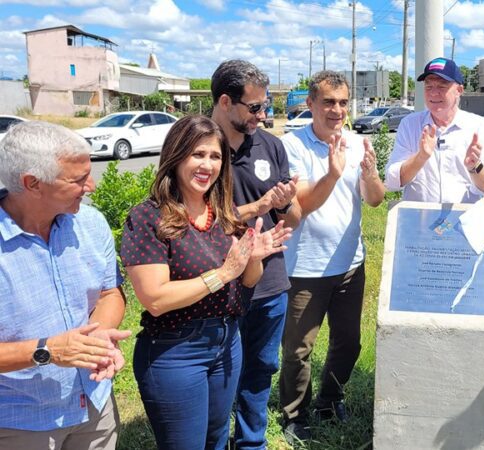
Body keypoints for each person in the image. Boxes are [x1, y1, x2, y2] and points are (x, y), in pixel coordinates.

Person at [120, 115, 291, 450]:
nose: (207, 165)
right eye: (197, 154)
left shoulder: (222, 211)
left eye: (215, 156)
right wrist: (223, 273)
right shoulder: (149, 217)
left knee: (216, 440)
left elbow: (248, 282)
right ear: (176, 155)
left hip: (227, 342)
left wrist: (253, 258)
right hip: (176, 351)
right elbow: (155, 298)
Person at [0, 121, 130, 449]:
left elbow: (109, 292)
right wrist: (48, 351)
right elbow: (54, 350)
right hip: (19, 422)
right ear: (32, 183)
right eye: (78, 179)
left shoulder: (91, 223)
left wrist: (98, 339)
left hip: (94, 404)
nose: (92, 186)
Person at [279, 70, 385, 445]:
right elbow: (300, 205)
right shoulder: (291, 146)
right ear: (310, 104)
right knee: (298, 349)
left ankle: (329, 400)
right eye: (328, 102)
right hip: (304, 268)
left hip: (349, 266)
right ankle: (294, 414)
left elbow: (374, 199)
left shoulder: (357, 143)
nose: (337, 110)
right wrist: (332, 173)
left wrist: (370, 173)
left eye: (342, 102)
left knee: (348, 343)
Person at [209, 59, 301, 450]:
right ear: (225, 102)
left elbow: (292, 217)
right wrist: (256, 208)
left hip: (269, 281)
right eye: (255, 107)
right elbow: (184, 218)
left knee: (261, 368)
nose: (262, 115)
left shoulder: (271, 145)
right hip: (215, 282)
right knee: (218, 373)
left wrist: (285, 202)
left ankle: (251, 443)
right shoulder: (196, 146)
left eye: (266, 106)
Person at [385, 57, 484, 202]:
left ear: (459, 90)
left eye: (442, 86)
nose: (434, 93)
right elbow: (392, 182)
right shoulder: (409, 125)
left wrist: (474, 166)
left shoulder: (479, 127)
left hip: (465, 215)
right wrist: (420, 157)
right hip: (420, 215)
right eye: (428, 87)